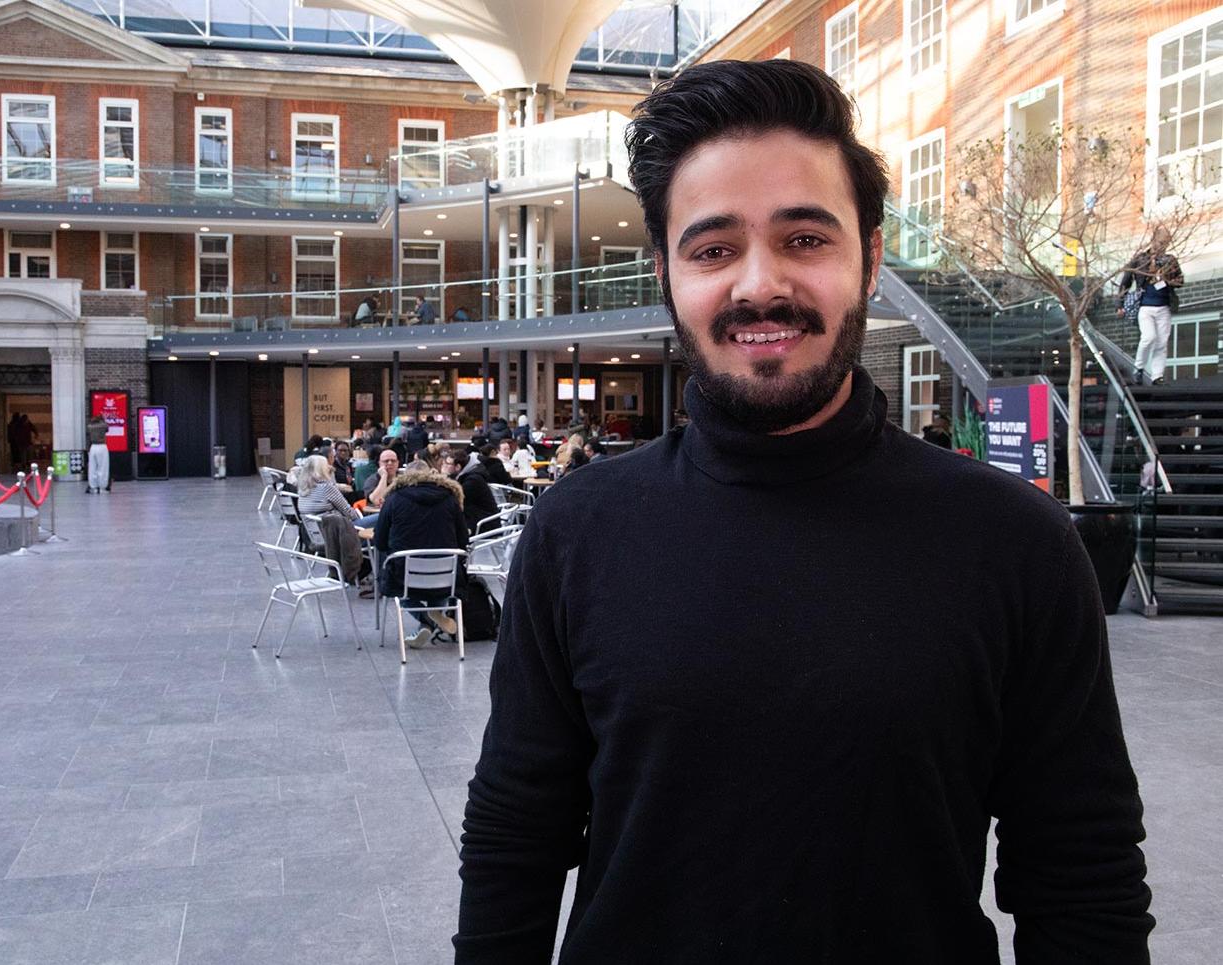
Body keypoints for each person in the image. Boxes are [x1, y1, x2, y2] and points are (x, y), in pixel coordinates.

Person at [457, 59, 1151, 963]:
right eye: (712, 249)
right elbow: (518, 827)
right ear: (666, 272)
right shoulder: (577, 531)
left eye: (805, 239)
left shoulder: (1013, 542)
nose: (759, 286)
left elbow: (1081, 870)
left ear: (869, 256)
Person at [374, 464, 468, 650]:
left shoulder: (394, 498)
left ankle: (426, 620)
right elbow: (463, 539)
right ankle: (433, 615)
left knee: (393, 583)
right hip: (446, 577)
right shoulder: (450, 498)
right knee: (440, 581)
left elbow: (380, 541)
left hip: (405, 577)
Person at [1118, 226, 1184, 386]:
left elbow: (1180, 281)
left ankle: (1157, 375)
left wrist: (1167, 279)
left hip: (1164, 306)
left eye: (1165, 243)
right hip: (1145, 306)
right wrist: (1119, 304)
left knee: (1161, 342)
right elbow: (1125, 281)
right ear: (1154, 240)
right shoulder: (1140, 259)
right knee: (1149, 337)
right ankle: (1138, 368)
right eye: (1161, 242)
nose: (1163, 246)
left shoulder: (1170, 260)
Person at [443, 447, 498, 535]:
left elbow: (454, 498)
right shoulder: (467, 476)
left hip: (483, 524)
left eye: (447, 464)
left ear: (458, 467)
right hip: (475, 518)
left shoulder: (473, 480)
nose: (444, 466)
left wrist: (444, 477)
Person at [294, 454, 361, 524]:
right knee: (373, 519)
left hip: (312, 529)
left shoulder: (303, 487)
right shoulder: (326, 488)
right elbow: (348, 512)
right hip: (336, 529)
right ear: (322, 470)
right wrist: (359, 517)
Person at [85, 412, 109, 494]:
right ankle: (102, 487)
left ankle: (93, 487)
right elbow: (107, 428)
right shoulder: (103, 425)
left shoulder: (90, 426)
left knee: (92, 468)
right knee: (103, 468)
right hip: (102, 446)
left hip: (93, 447)